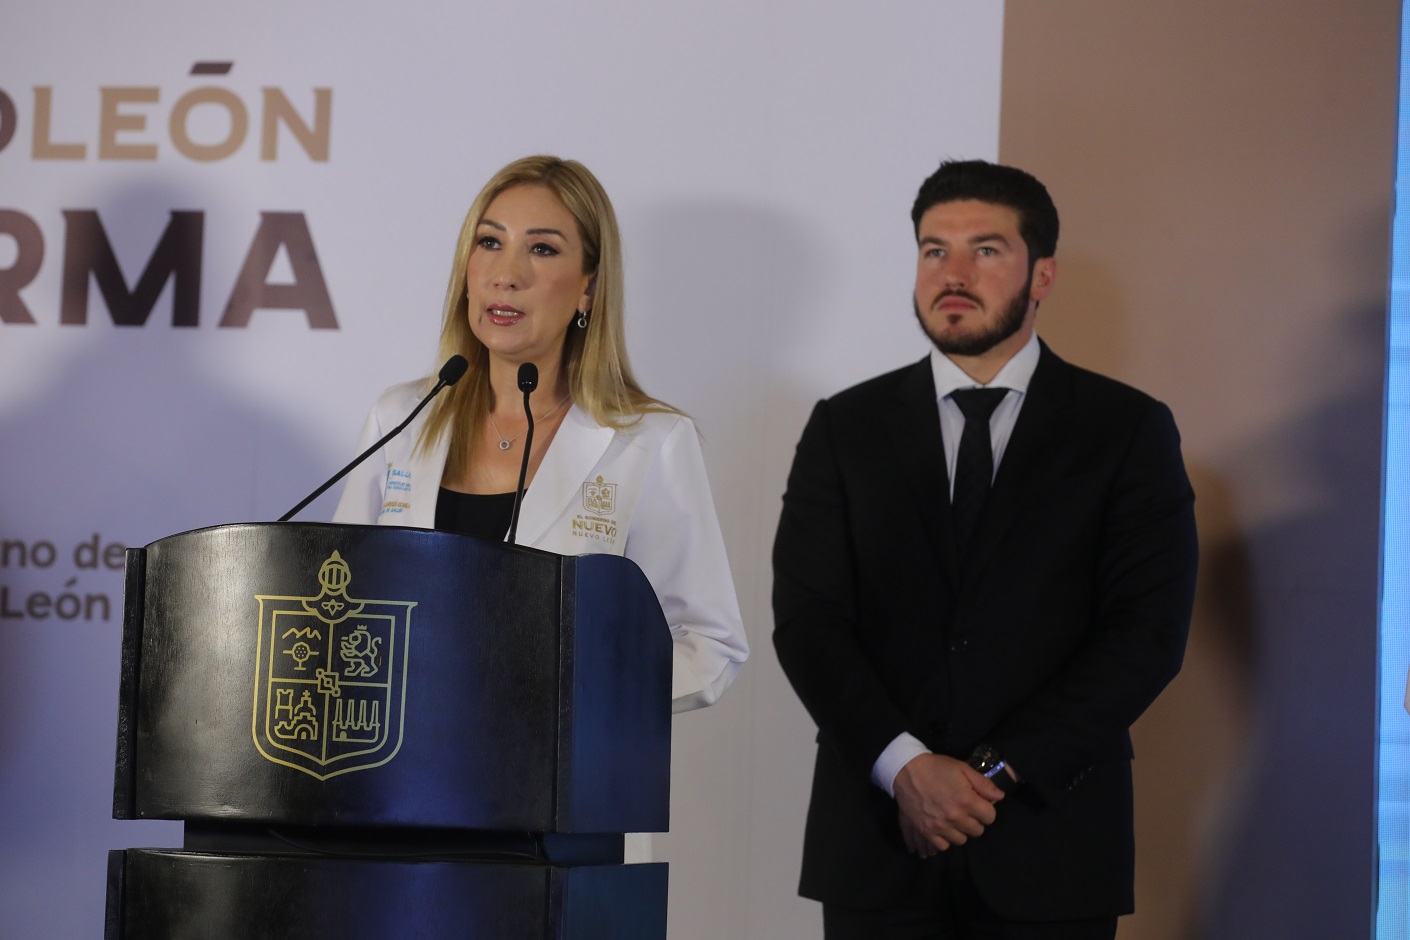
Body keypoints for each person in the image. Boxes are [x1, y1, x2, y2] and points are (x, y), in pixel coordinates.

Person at [772, 159, 1198, 938]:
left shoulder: (1126, 430)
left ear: (1043, 275)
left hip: (1052, 840)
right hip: (878, 843)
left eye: (986, 250)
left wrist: (991, 773)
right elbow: (808, 623)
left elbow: (1146, 635)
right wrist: (906, 767)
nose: (954, 274)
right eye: (934, 250)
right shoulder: (845, 427)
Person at [335, 155, 748, 714]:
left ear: (589, 288)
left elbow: (709, 643)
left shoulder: (650, 441)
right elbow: (337, 597)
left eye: (542, 249)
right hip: (400, 757)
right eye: (489, 242)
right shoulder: (402, 418)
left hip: (556, 762)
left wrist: (570, 696)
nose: (506, 274)